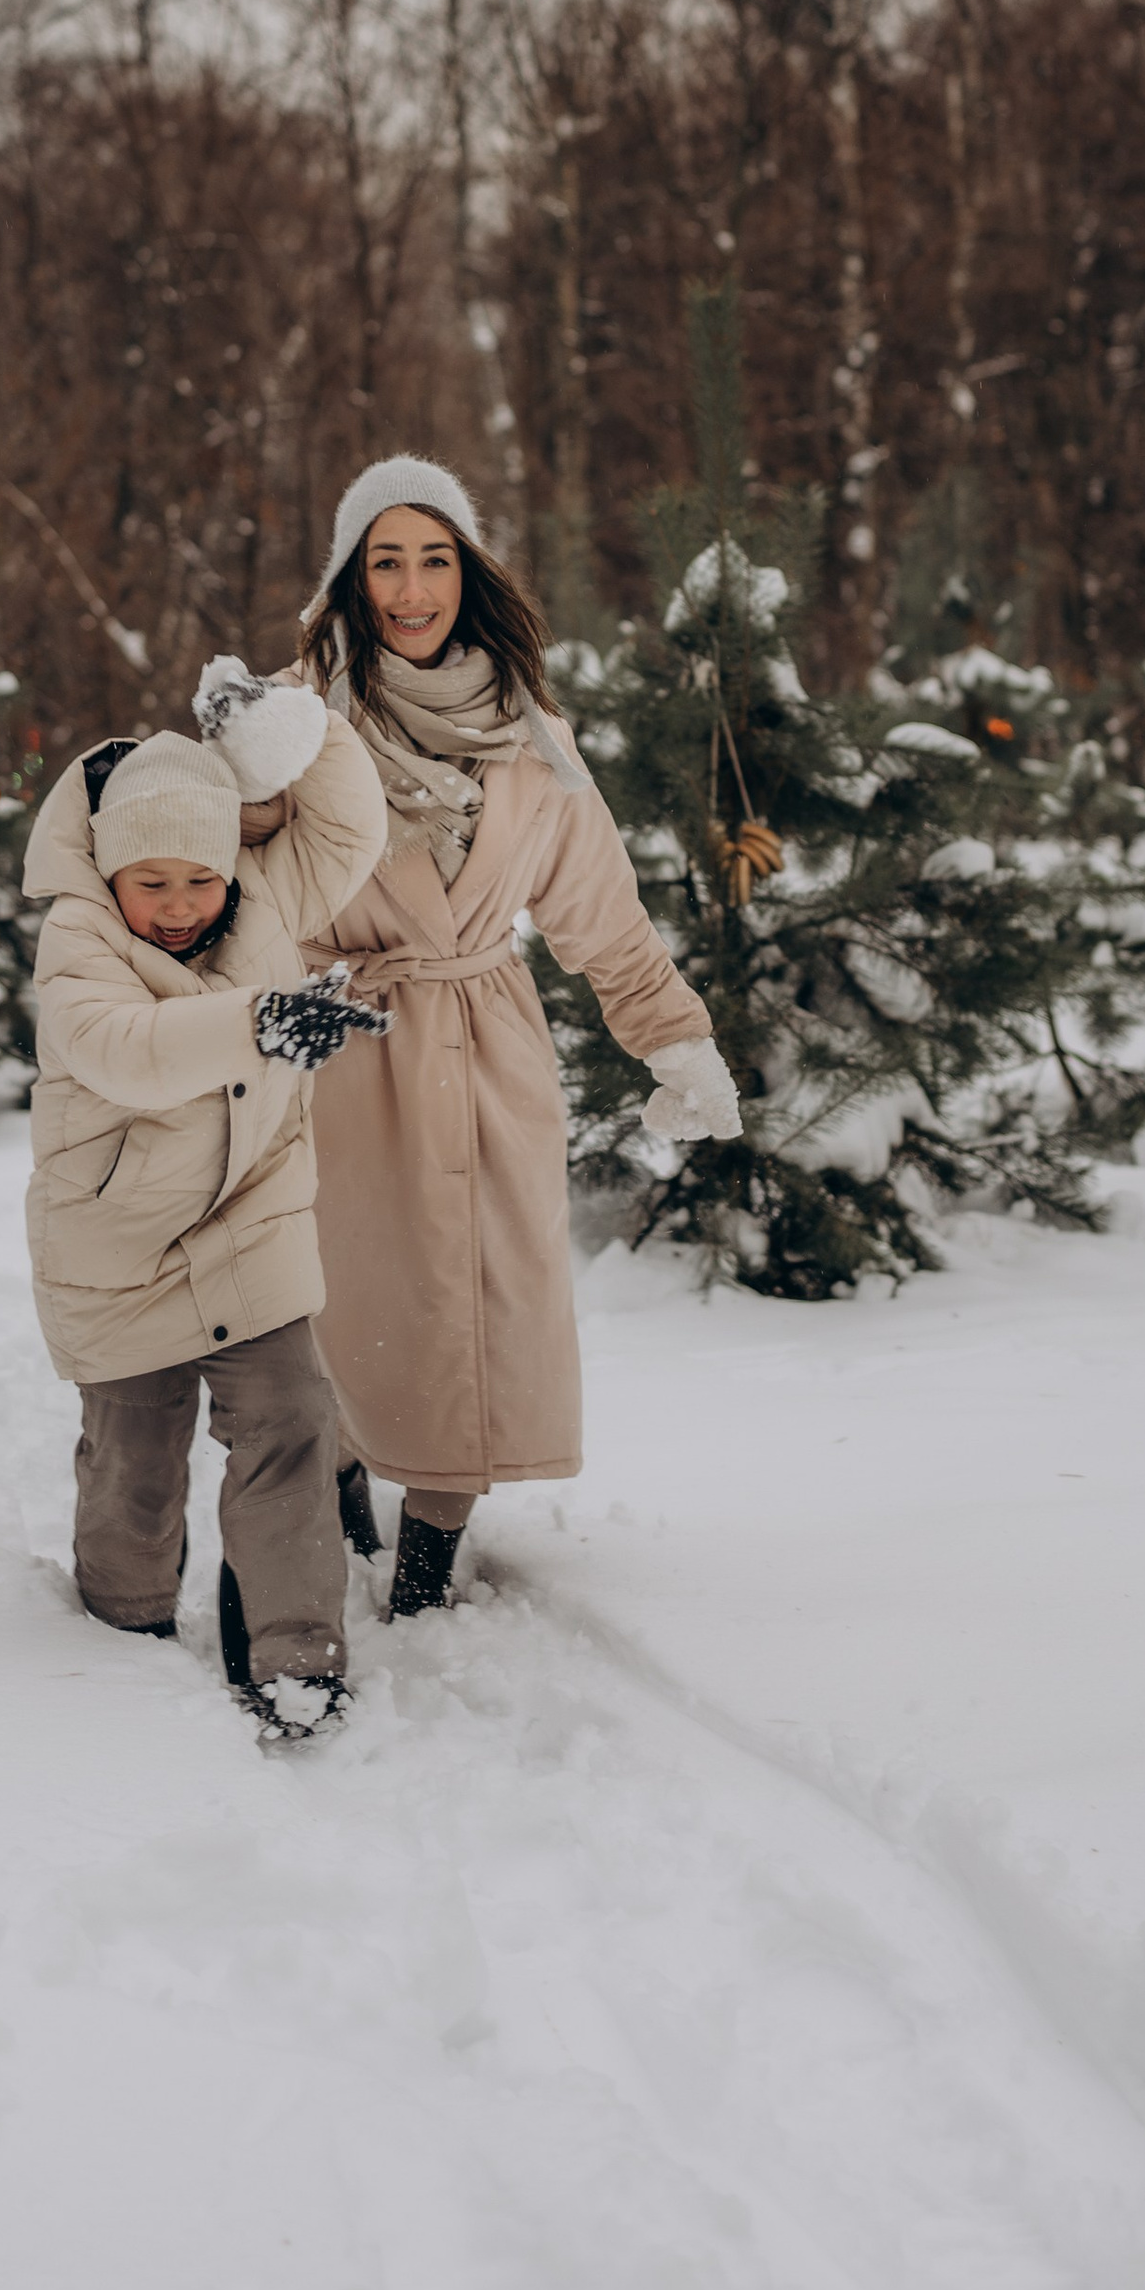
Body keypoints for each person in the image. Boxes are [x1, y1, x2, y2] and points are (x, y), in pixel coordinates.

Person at [291, 457, 742, 1619]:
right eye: (384, 559)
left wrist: (675, 1042)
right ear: (352, 575)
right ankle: (340, 1474)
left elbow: (601, 916)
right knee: (350, 1298)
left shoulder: (533, 740)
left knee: (487, 1303)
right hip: (346, 1051)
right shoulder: (298, 728)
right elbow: (239, 897)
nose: (409, 585)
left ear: (468, 572)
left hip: (490, 1048)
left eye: (432, 556)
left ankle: (431, 1553)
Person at [22, 660, 391, 1740]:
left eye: (200, 877)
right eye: (153, 882)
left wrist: (291, 729)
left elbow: (347, 827)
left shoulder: (265, 896)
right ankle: (121, 1617)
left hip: (249, 1222)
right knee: (135, 1465)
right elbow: (125, 1053)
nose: (179, 904)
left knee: (291, 1423)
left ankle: (292, 1650)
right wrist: (259, 1024)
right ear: (108, 873)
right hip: (119, 1243)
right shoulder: (78, 940)